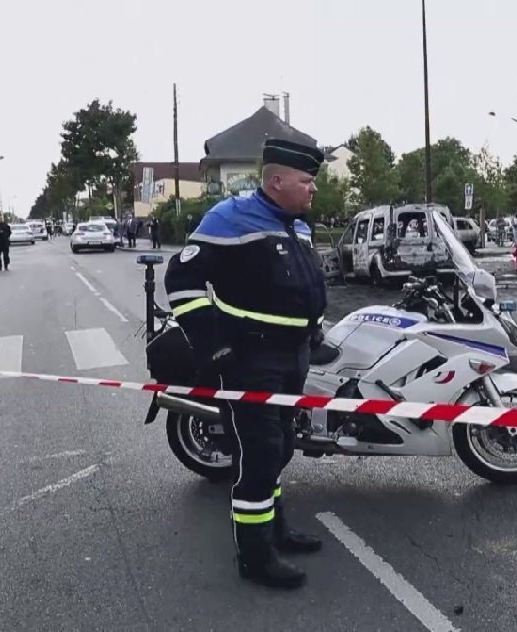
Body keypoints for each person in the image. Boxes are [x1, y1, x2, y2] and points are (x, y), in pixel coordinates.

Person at [163, 138, 327, 589]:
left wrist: (314, 332)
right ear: (277, 181)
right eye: (306, 181)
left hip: (292, 357)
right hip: (252, 360)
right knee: (257, 457)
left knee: (280, 449)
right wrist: (217, 348)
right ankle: (255, 557)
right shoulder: (230, 219)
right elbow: (182, 282)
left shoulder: (298, 225)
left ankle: (275, 529)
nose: (313, 189)